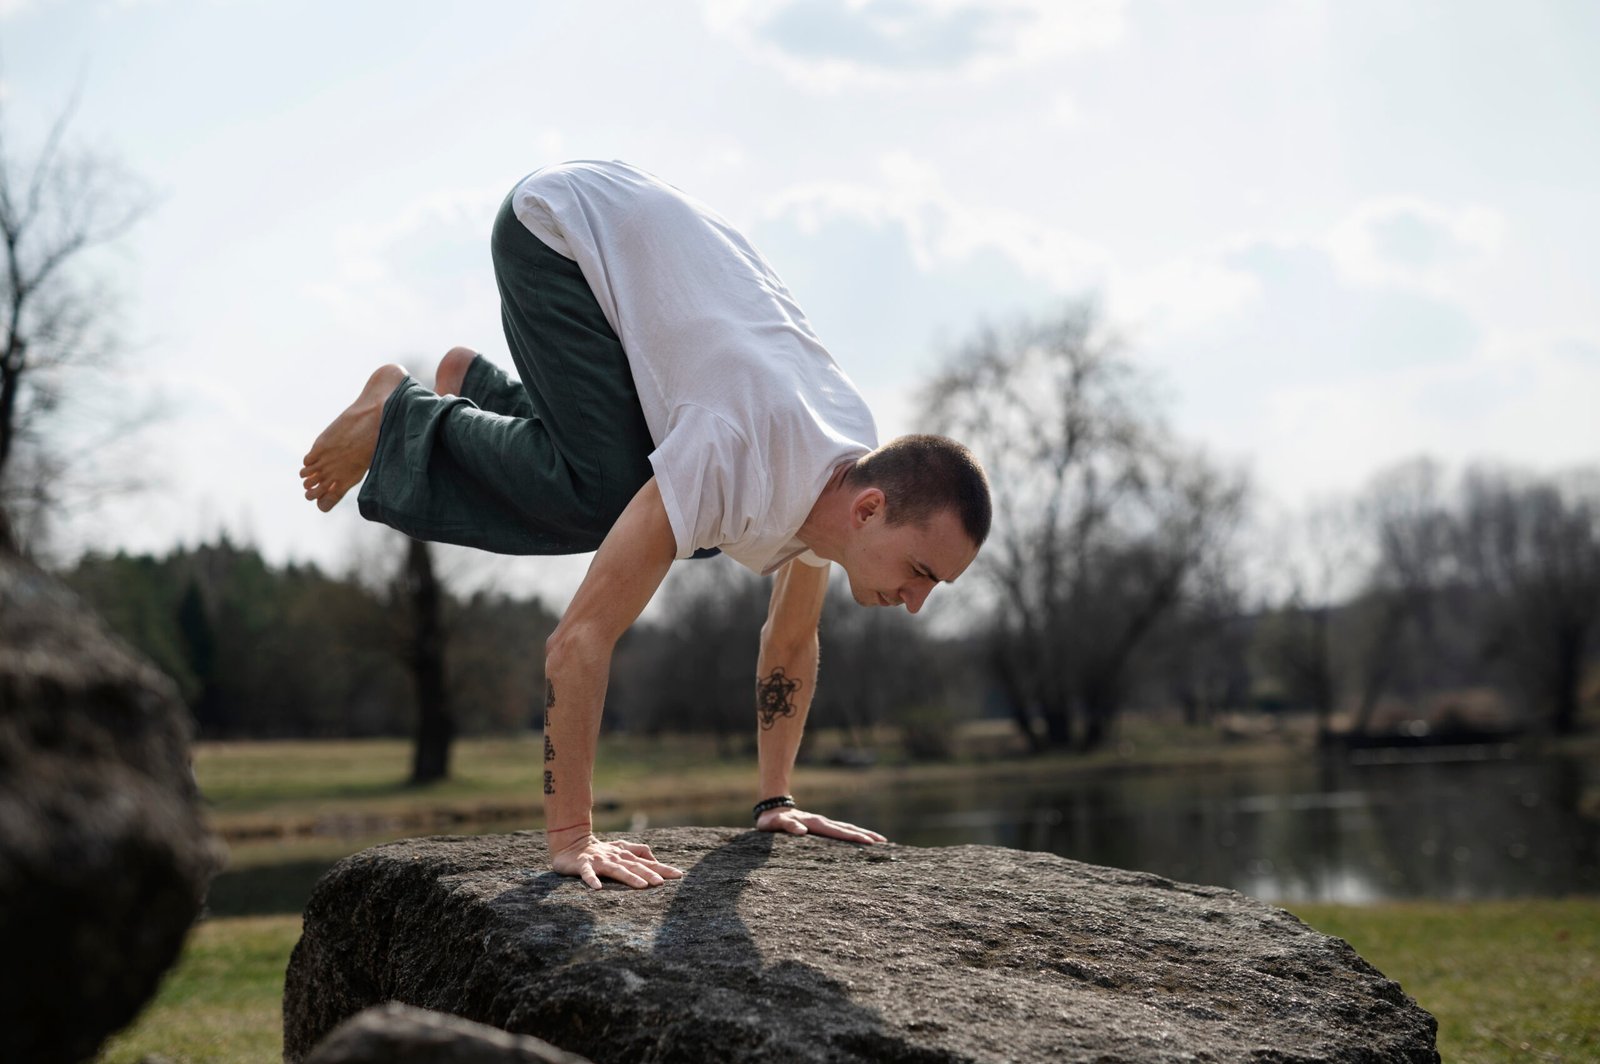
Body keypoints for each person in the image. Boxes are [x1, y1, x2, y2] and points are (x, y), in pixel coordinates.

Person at [300, 161, 991, 890]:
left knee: (672, 518)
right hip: (559, 230)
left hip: (651, 246)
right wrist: (573, 837)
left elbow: (789, 640)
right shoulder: (737, 451)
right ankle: (399, 416)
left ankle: (476, 388)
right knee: (613, 502)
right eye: (921, 573)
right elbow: (580, 638)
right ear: (871, 509)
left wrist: (776, 800)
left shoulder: (839, 473)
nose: (918, 602)